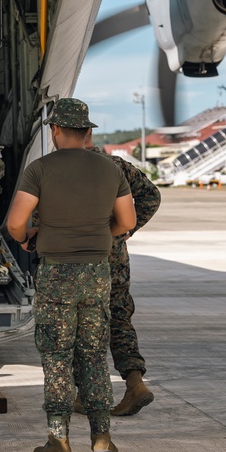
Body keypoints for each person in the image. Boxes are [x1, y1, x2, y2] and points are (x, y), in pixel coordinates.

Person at [5, 98, 136, 452]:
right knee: (93, 354)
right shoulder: (110, 169)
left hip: (57, 274)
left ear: (56, 130)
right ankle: (102, 440)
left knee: (57, 356)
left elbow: (16, 223)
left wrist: (29, 236)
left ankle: (59, 442)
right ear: (88, 131)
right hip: (97, 272)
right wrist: (100, 235)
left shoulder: (39, 169)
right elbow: (126, 221)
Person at [81, 131, 161, 416]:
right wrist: (126, 229)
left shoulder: (63, 167)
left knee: (82, 323)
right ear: (89, 133)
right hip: (115, 257)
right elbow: (151, 196)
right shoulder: (116, 165)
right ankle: (135, 382)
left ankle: (86, 394)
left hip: (80, 257)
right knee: (119, 318)